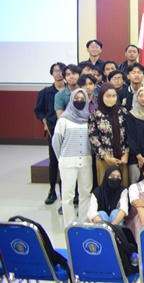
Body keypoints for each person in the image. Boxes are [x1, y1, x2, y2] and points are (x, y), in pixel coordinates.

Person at [52, 88, 92, 227]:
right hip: (68, 163)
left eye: (82, 98)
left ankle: (84, 222)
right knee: (68, 196)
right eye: (76, 98)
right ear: (71, 100)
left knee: (85, 193)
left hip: (86, 162)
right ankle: (69, 224)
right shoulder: (64, 119)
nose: (79, 101)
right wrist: (62, 158)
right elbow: (56, 141)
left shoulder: (89, 118)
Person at [34, 62, 65, 205]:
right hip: (53, 130)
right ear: (52, 73)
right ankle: (52, 190)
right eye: (56, 71)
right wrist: (45, 125)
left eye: (61, 71)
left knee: (66, 163)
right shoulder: (45, 92)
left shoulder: (70, 91)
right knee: (54, 161)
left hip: (68, 132)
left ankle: (65, 191)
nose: (59, 73)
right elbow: (39, 111)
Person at [89, 83, 130, 187]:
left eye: (113, 96)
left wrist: (126, 154)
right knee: (105, 187)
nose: (111, 98)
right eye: (108, 96)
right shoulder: (95, 114)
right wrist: (106, 157)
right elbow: (93, 138)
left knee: (123, 188)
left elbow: (129, 135)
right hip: (104, 159)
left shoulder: (123, 112)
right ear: (101, 96)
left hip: (122, 158)